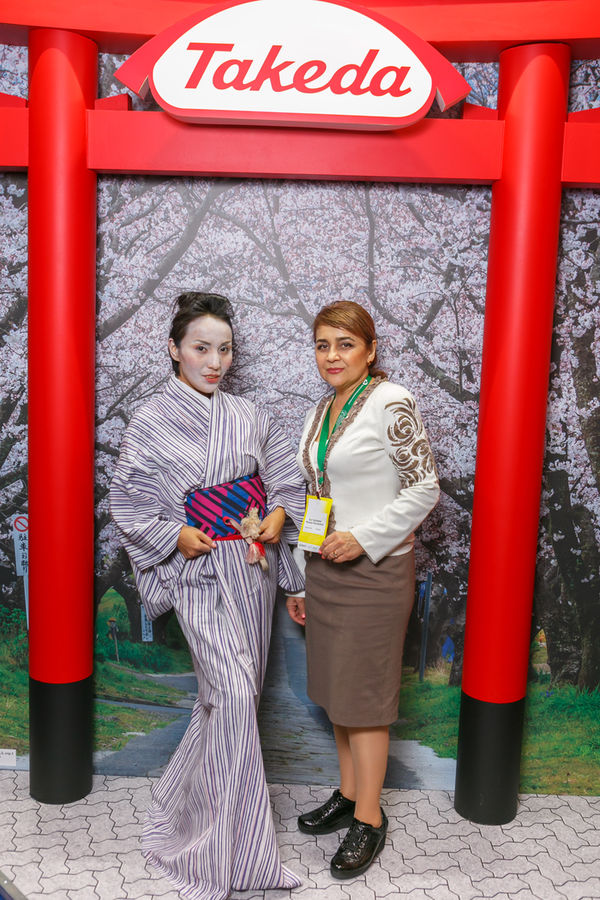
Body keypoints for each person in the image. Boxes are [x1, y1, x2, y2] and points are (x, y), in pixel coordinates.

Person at [110, 292, 305, 900]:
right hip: (197, 571)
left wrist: (276, 518)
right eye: (201, 348)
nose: (215, 362)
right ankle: (220, 854)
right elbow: (127, 501)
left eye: (225, 350)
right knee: (233, 696)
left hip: (251, 567)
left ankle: (190, 817)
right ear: (175, 350)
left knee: (228, 703)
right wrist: (175, 534)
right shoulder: (149, 420)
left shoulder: (249, 414)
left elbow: (286, 481)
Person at [286, 300, 439, 879]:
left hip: (375, 572)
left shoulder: (391, 401)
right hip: (324, 569)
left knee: (366, 702)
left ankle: (370, 820)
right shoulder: (321, 410)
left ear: (370, 350)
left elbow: (424, 488)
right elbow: (316, 496)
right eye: (322, 345)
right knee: (338, 692)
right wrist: (300, 576)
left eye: (345, 344)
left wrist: (363, 538)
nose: (332, 356)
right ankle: (350, 794)